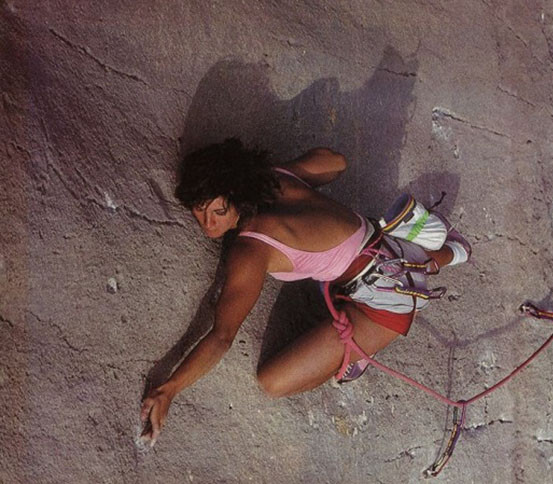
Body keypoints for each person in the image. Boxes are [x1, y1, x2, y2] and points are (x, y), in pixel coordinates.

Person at [139, 139, 470, 446]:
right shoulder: (276, 179)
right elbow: (336, 163)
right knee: (386, 257)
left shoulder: (250, 251)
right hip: (385, 245)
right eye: (200, 210)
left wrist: (169, 389)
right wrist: (276, 171)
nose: (208, 224)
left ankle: (366, 340)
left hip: (385, 305)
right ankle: (447, 251)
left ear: (236, 196)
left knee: (273, 381)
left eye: (218, 211)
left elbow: (222, 336)